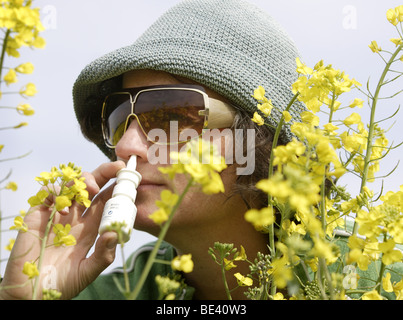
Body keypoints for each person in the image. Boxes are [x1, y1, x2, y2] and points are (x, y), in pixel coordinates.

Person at [0, 0, 305, 300]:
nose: (125, 146)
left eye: (172, 116)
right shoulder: (80, 291)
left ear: (260, 139)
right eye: (119, 117)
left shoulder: (346, 276)